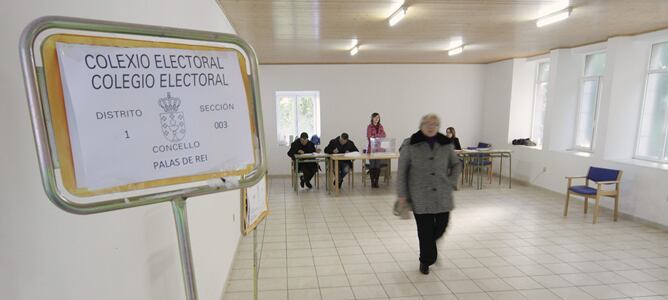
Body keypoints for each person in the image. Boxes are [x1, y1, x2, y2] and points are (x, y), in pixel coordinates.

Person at [397, 114, 462, 275]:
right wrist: (402, 195)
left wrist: (452, 181)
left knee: (442, 226)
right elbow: (402, 172)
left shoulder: (445, 144)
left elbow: (456, 164)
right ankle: (425, 260)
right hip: (420, 195)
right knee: (425, 231)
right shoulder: (410, 144)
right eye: (427, 123)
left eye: (435, 124)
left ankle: (429, 250)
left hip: (442, 195)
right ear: (421, 125)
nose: (431, 126)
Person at [366, 112, 387, 188]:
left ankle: (376, 182)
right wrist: (377, 136)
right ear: (372, 118)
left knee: (378, 166)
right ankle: (372, 182)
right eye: (375, 117)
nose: (377, 119)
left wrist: (375, 136)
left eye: (378, 117)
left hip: (379, 149)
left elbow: (384, 135)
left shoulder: (381, 126)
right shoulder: (369, 127)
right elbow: (369, 137)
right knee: (372, 165)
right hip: (371, 149)